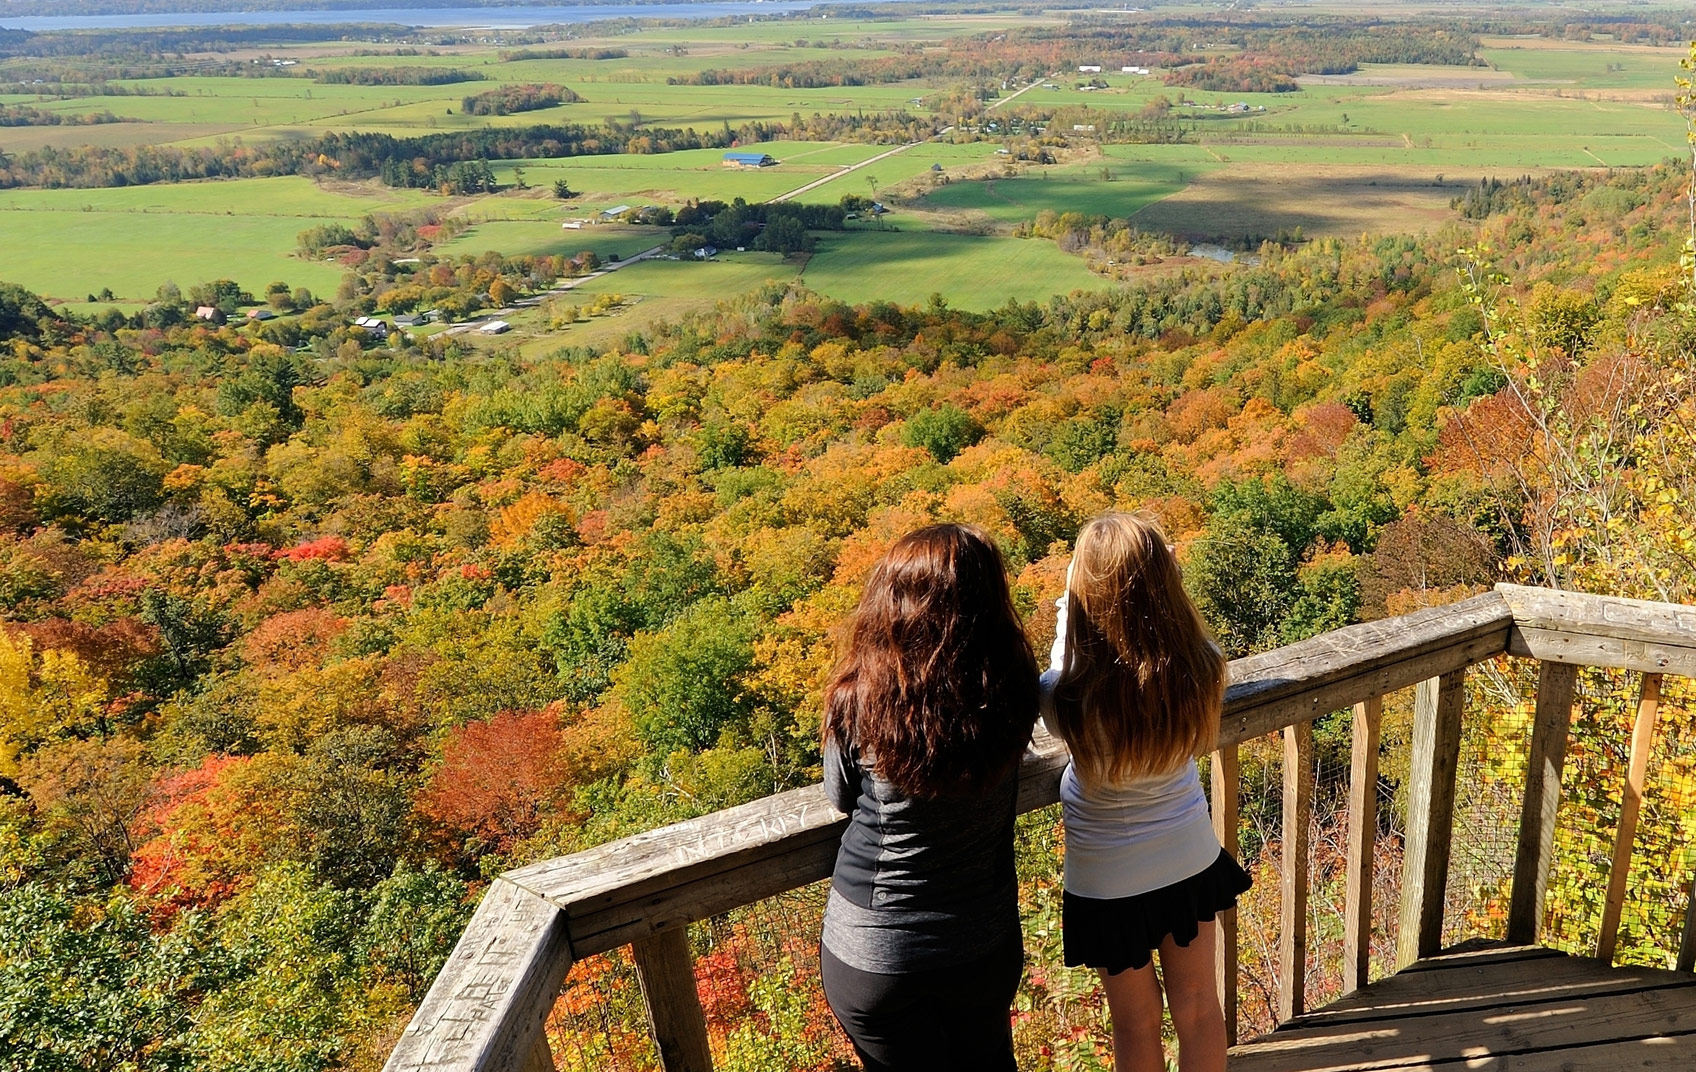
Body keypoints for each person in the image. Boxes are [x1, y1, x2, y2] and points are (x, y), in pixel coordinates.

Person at [819, 523, 1040, 1072]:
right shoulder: (1013, 685)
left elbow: (840, 795)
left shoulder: (858, 698)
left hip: (876, 950)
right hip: (983, 942)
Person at [1043, 513, 1250, 1072]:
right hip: (1186, 854)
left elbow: (1066, 656)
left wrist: (1070, 599)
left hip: (1106, 873)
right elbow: (1185, 633)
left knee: (1135, 1025)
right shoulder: (1200, 670)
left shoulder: (1063, 697)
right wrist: (1165, 579)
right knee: (1199, 1009)